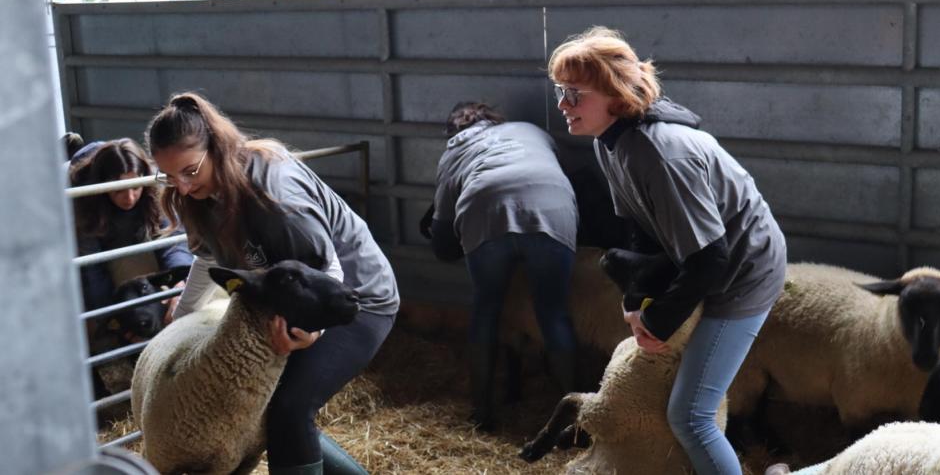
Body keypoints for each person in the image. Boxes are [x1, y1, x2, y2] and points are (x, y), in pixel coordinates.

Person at [548, 27, 788, 475]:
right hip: (702, 257)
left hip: (742, 272)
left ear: (615, 95)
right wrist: (637, 301)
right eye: (561, 92)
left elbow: (711, 258)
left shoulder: (661, 153)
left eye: (574, 94)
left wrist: (657, 323)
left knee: (691, 416)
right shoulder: (611, 142)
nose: (562, 104)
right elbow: (642, 231)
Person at [146, 92, 397, 475]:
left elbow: (329, 271)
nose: (180, 186)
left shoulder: (274, 195)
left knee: (291, 407)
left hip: (354, 297)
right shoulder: (202, 195)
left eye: (190, 171)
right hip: (298, 298)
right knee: (272, 411)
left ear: (216, 148)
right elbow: (210, 256)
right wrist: (181, 317)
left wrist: (312, 335)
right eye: (169, 176)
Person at [427, 102, 579, 431]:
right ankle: (574, 415)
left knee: (486, 309)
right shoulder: (531, 130)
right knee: (553, 313)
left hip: (485, 211)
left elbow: (441, 238)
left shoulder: (454, 150)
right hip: (551, 208)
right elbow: (567, 170)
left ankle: (483, 411)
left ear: (453, 130)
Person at [69, 138, 193, 313]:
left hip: (135, 234)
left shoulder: (155, 185)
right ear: (103, 184)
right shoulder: (86, 201)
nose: (129, 198)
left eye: (135, 187)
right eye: (119, 189)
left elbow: (171, 239)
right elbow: (92, 269)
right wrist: (111, 318)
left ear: (143, 177)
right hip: (105, 234)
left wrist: (180, 283)